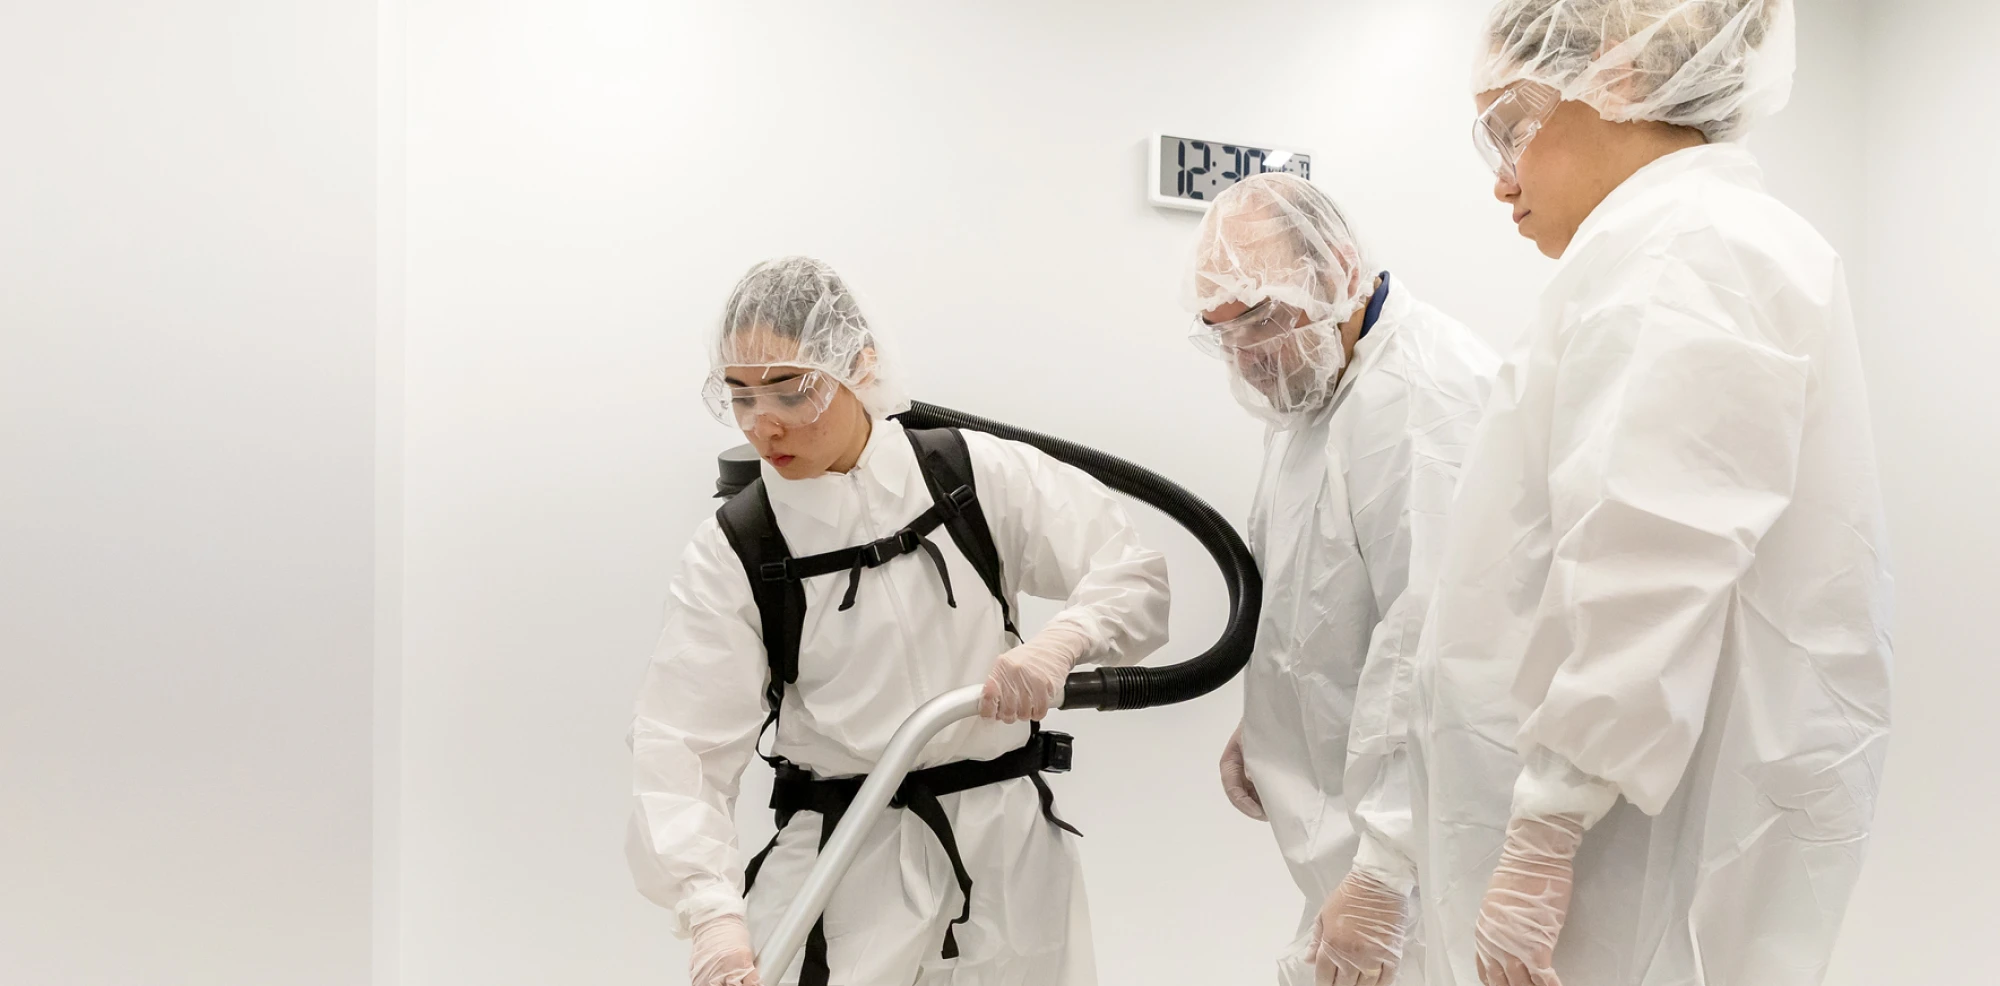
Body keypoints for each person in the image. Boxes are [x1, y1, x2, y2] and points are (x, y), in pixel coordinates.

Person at [1331, 2, 1893, 984]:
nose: (1500, 179)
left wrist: (1547, 826)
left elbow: (1648, 552)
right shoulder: (1653, 248)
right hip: (1593, 824)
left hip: (1615, 847)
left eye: (1511, 126)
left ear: (1621, 80)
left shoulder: (1689, 249)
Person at [625, 257, 1172, 985]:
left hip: (1009, 858)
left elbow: (1130, 569)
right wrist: (714, 917)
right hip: (848, 862)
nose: (764, 425)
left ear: (858, 364)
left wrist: (1062, 643)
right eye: (741, 396)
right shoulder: (738, 547)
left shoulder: (969, 476)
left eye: (792, 391)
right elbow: (681, 748)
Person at [1181, 173, 1498, 986]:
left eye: (1262, 321)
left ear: (1341, 270)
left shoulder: (1422, 401)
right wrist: (1268, 717)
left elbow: (1437, 646)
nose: (1249, 359)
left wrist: (1387, 869)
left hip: (1425, 852)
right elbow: (1312, 590)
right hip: (1358, 838)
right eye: (1223, 334)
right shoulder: (1318, 384)